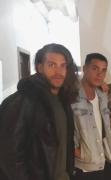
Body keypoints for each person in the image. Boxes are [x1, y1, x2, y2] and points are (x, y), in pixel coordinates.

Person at [0, 43, 78, 180]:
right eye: (52, 65)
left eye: (63, 65)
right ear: (40, 67)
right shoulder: (21, 101)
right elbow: (9, 156)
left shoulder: (62, 100)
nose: (58, 72)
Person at [71, 53, 111, 180]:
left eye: (103, 70)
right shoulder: (71, 95)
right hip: (83, 166)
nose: (99, 74)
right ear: (85, 69)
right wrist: (78, 152)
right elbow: (60, 129)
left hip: (104, 160)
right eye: (95, 68)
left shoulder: (102, 95)